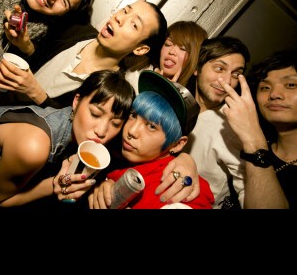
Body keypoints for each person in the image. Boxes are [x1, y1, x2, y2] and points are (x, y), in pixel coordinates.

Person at [0, 69, 135, 208]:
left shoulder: (74, 128)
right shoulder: (33, 147)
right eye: (95, 114)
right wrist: (52, 185)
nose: (102, 131)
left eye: (116, 123)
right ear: (76, 102)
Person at [0, 0, 168, 109]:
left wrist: (36, 93)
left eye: (134, 24)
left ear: (140, 49)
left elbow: (69, 130)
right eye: (125, 10)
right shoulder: (78, 30)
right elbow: (39, 57)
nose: (119, 18)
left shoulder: (110, 90)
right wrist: (24, 44)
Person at [87, 70, 214, 209]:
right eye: (133, 115)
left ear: (177, 144)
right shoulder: (112, 147)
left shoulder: (180, 189)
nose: (131, 131)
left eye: (151, 126)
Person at [154, 36, 251, 209]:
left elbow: (248, 190)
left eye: (236, 74)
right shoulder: (179, 102)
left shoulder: (233, 126)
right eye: (219, 68)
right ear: (197, 69)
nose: (227, 81)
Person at [219, 49, 297, 209]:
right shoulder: (238, 148)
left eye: (291, 85)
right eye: (265, 87)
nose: (274, 94)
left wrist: (253, 140)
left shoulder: (252, 142)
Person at [125, 20, 208, 93]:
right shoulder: (137, 72)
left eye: (183, 48)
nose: (172, 52)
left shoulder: (187, 101)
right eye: (168, 44)